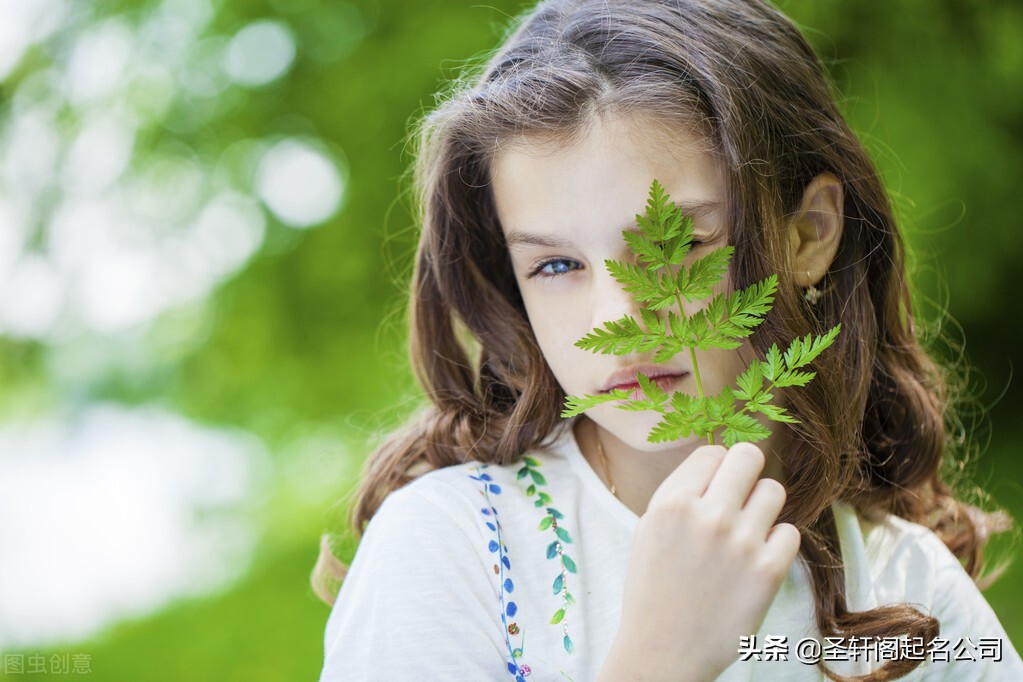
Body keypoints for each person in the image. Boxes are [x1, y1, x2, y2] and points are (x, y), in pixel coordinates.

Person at [313, 0, 1023, 679]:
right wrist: (660, 662)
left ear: (809, 234)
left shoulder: (907, 589)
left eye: (678, 244)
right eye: (555, 265)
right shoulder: (452, 547)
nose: (615, 318)